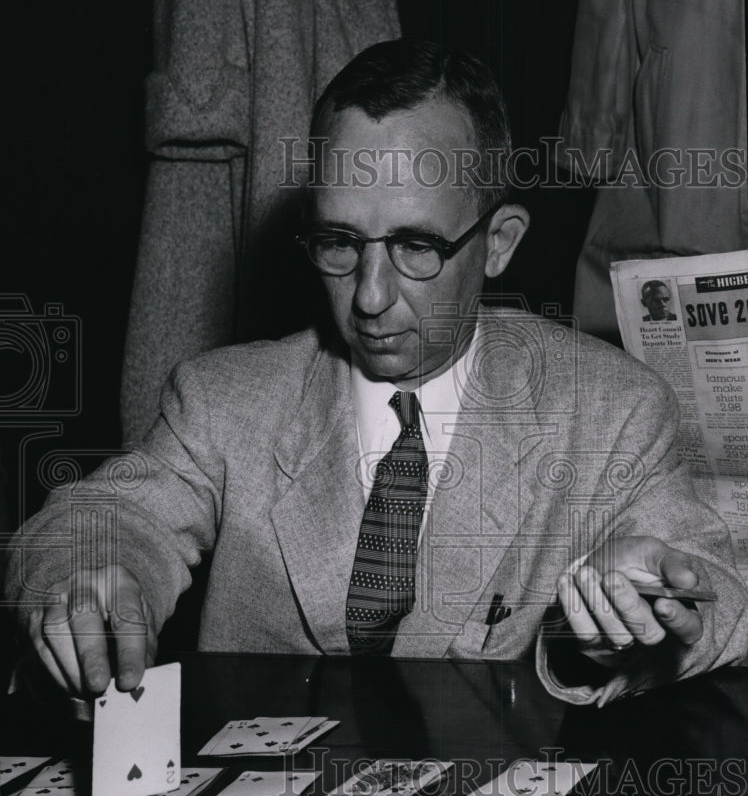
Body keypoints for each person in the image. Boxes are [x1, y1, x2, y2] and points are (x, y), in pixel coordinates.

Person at [5, 39, 747, 707]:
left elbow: (721, 594)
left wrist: (641, 608)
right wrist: (88, 574)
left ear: (499, 243)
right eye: (338, 242)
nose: (368, 296)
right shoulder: (222, 401)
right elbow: (106, 519)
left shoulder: (610, 410)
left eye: (418, 247)